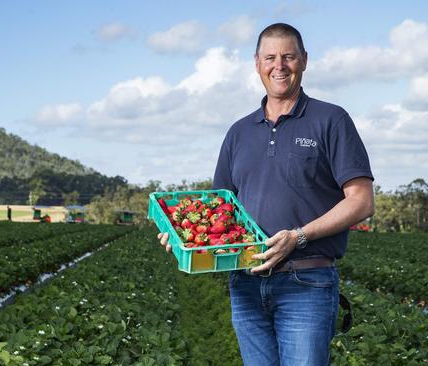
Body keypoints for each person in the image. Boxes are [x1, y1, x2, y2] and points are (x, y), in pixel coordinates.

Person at [158, 23, 374, 365]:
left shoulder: (331, 120)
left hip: (306, 281)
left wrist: (299, 236)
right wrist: (182, 235)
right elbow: (219, 210)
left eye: (288, 56)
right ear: (257, 63)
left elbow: (361, 201)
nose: (280, 65)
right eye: (270, 57)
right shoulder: (239, 132)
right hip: (246, 282)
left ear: (304, 60)